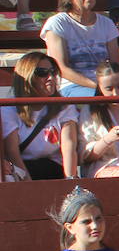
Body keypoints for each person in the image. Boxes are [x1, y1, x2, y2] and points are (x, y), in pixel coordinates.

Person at [40, 0, 119, 97]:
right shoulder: (57, 23)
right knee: (96, 101)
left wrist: (117, 87)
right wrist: (99, 88)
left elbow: (116, 64)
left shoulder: (107, 23)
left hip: (108, 86)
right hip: (71, 87)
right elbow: (62, 68)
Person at [2, 51, 79, 180]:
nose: (51, 77)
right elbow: (12, 152)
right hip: (21, 168)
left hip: (53, 167)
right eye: (42, 73)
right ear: (28, 76)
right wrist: (29, 185)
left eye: (53, 72)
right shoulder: (10, 108)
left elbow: (69, 147)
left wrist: (70, 180)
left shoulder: (64, 106)